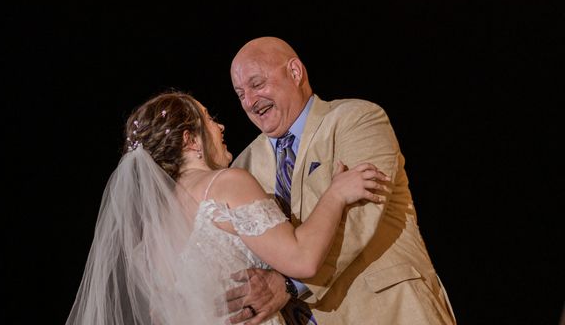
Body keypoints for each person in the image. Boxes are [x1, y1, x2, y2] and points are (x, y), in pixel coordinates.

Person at [65, 91, 389, 325]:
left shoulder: (150, 234)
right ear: (190, 141)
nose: (220, 128)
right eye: (209, 119)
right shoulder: (224, 184)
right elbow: (303, 259)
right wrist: (335, 193)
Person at [229, 37, 456, 325]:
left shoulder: (357, 119)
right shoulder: (243, 166)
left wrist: (288, 284)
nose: (249, 101)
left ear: (295, 72)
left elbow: (360, 218)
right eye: (240, 93)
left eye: (257, 84)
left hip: (390, 312)